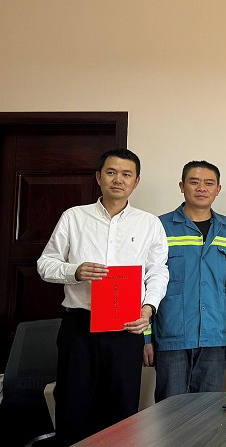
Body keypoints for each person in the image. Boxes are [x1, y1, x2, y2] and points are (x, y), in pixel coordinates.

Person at [37, 148, 168, 445]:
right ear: (99, 177)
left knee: (122, 410)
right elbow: (45, 264)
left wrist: (148, 309)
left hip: (126, 329)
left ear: (136, 181)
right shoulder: (74, 217)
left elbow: (158, 272)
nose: (118, 180)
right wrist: (75, 271)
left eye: (126, 174)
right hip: (79, 328)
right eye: (111, 172)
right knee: (73, 406)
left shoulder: (149, 223)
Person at [146, 161, 226, 401]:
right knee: (169, 408)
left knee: (209, 409)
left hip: (215, 335)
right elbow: (146, 282)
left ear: (218, 189)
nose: (201, 188)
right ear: (181, 186)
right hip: (171, 334)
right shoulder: (159, 226)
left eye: (209, 183)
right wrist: (146, 337)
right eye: (194, 182)